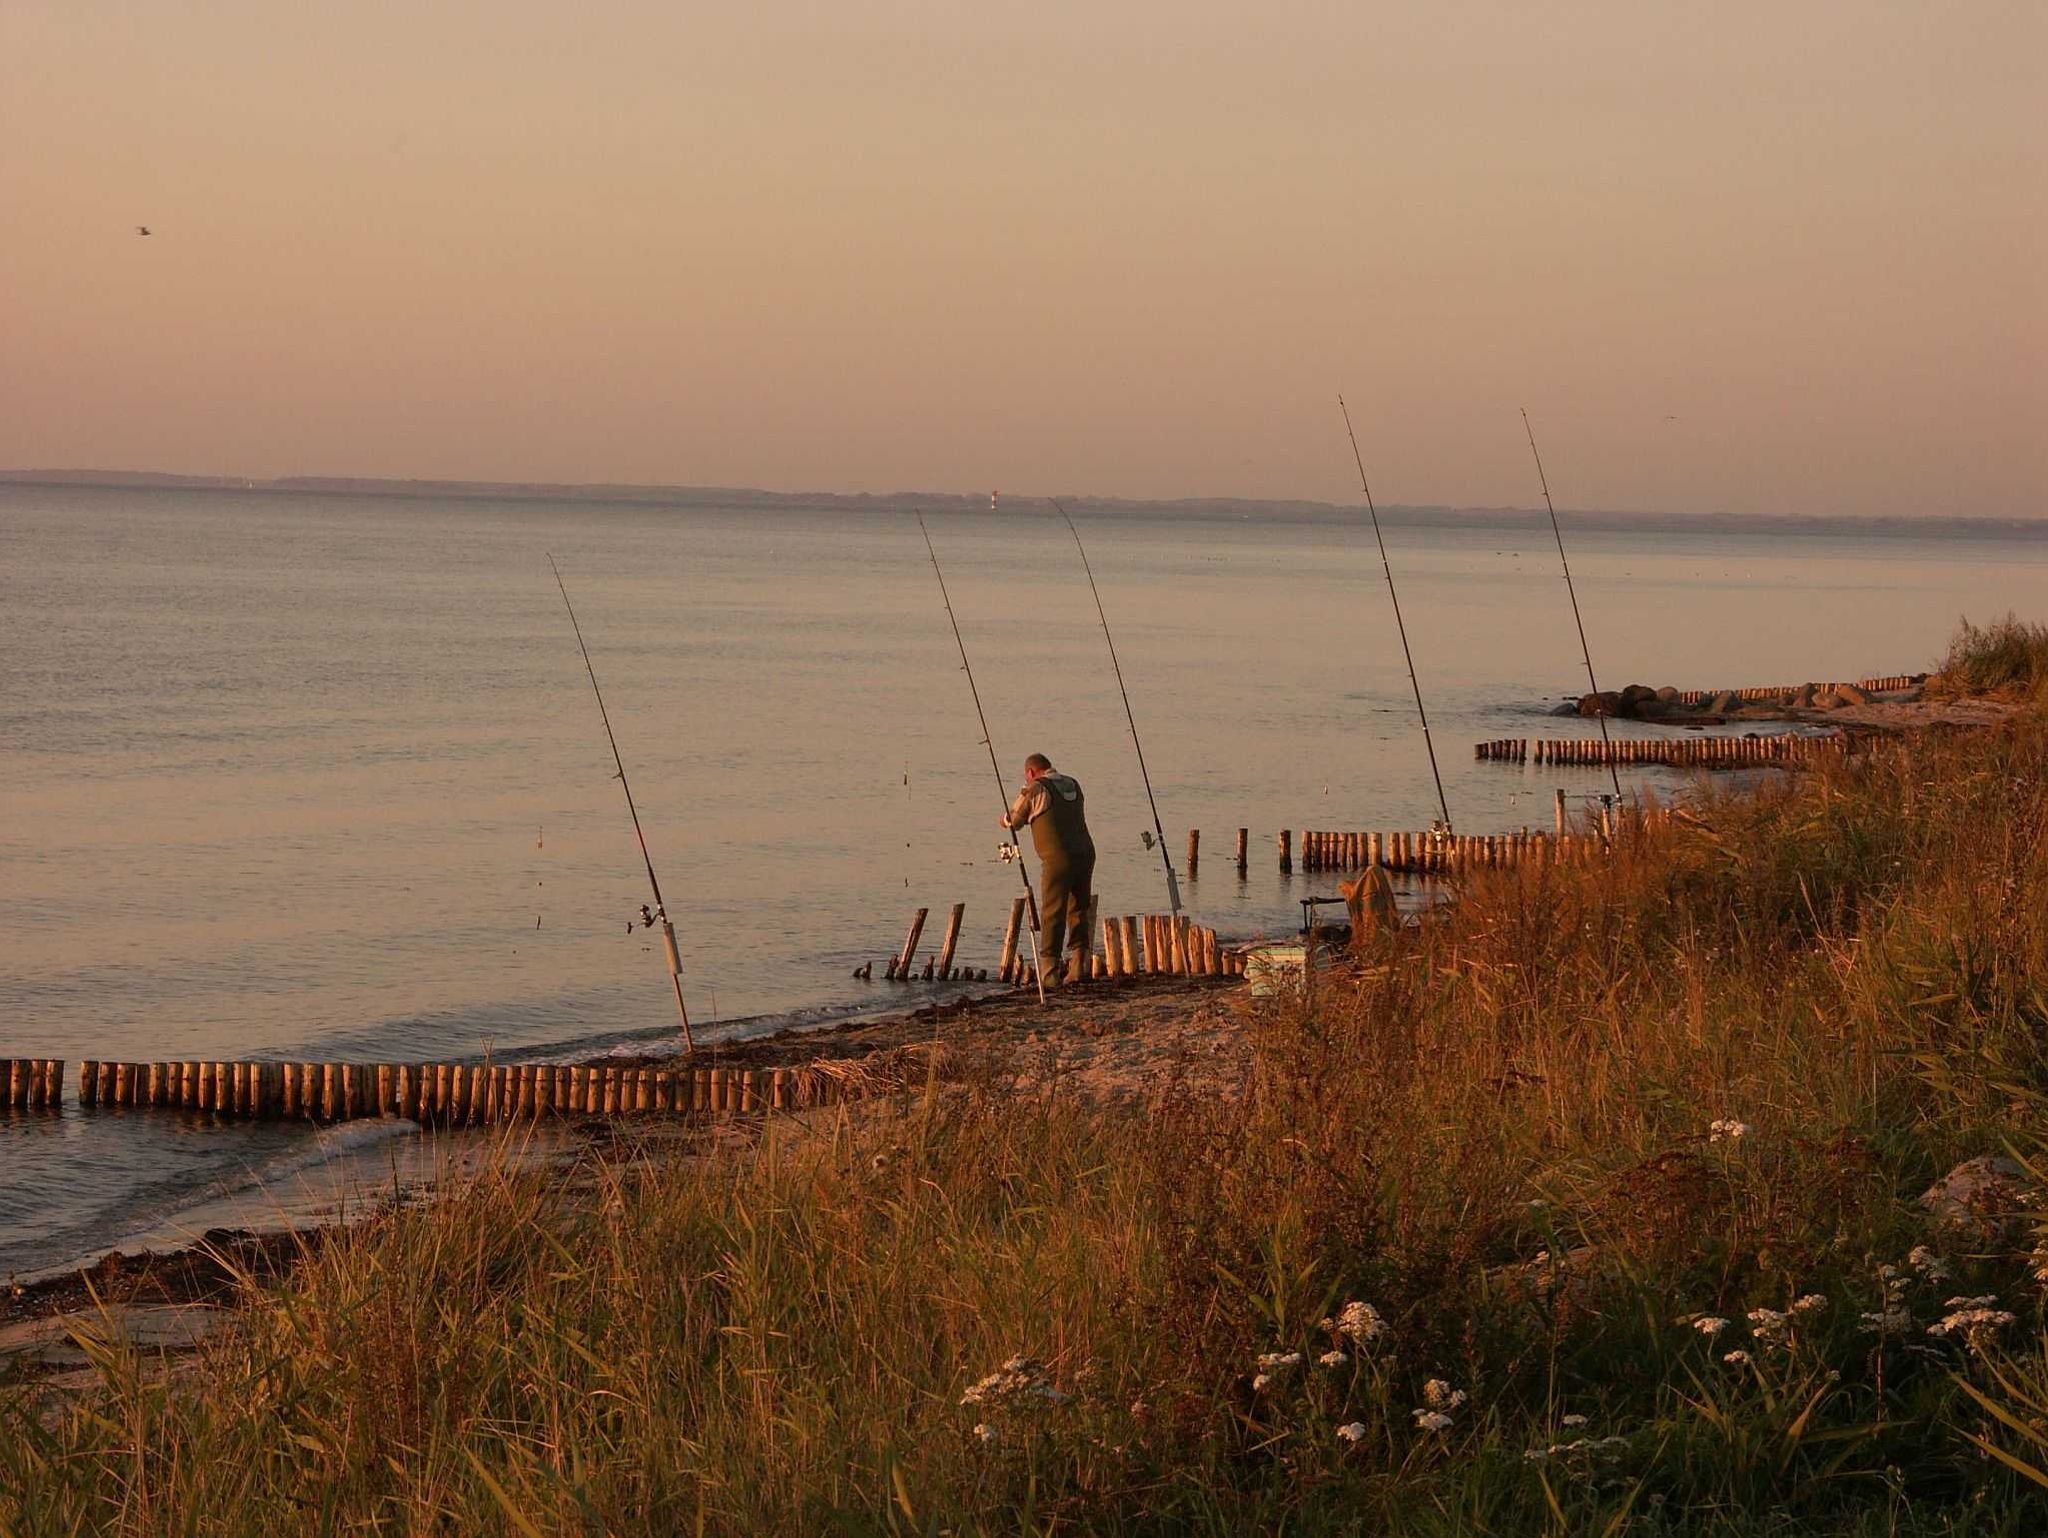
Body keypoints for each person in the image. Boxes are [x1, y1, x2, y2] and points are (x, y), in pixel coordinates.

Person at [1000, 753, 1096, 984]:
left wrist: (1003, 820)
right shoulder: (1073, 784)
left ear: (1031, 772)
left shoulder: (1035, 788)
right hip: (1085, 853)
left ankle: (1049, 973)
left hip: (1057, 858)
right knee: (1079, 908)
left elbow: (1015, 820)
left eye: (1027, 777)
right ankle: (1078, 967)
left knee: (1053, 911)